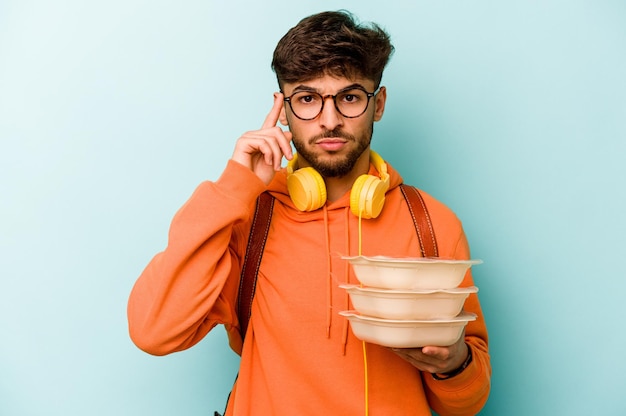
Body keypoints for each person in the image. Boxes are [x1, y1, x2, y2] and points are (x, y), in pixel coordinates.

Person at [127, 10, 491, 415]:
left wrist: (454, 363)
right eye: (307, 99)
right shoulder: (247, 219)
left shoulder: (433, 225)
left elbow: (466, 402)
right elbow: (152, 331)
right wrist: (234, 186)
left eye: (350, 97)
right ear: (282, 109)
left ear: (379, 103)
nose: (329, 120)